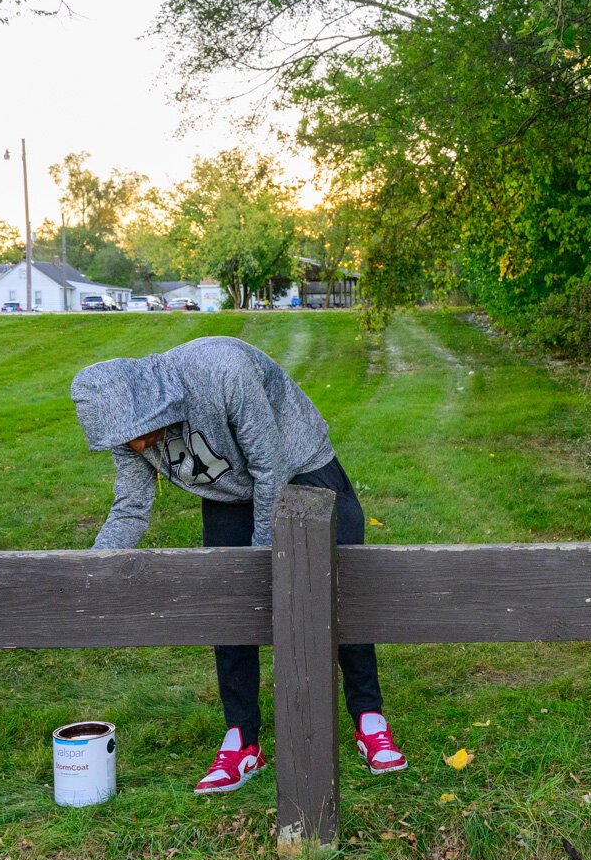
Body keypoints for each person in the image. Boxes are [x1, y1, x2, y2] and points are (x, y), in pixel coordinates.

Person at [71, 336, 407, 793]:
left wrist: (263, 559)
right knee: (229, 608)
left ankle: (369, 717)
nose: (138, 443)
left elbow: (272, 468)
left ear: (152, 401)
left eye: (139, 431)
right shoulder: (124, 429)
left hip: (301, 464)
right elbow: (131, 506)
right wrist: (91, 569)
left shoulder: (222, 371)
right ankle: (242, 740)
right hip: (229, 492)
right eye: (126, 439)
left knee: (339, 590)